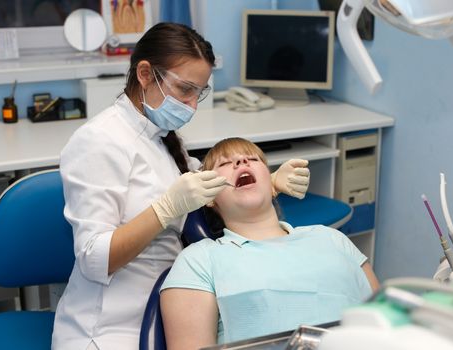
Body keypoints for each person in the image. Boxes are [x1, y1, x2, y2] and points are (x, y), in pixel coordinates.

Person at [51, 23, 310, 350]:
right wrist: (163, 211)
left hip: (176, 302)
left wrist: (268, 183)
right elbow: (94, 260)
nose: (191, 106)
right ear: (145, 74)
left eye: (198, 93)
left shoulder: (161, 137)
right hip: (111, 326)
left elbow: (210, 189)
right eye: (185, 89)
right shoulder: (98, 142)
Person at [160, 137, 380, 349]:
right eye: (226, 163)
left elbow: (388, 320)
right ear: (210, 197)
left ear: (273, 183)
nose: (241, 162)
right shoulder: (198, 261)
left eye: (253, 159)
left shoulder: (331, 238)